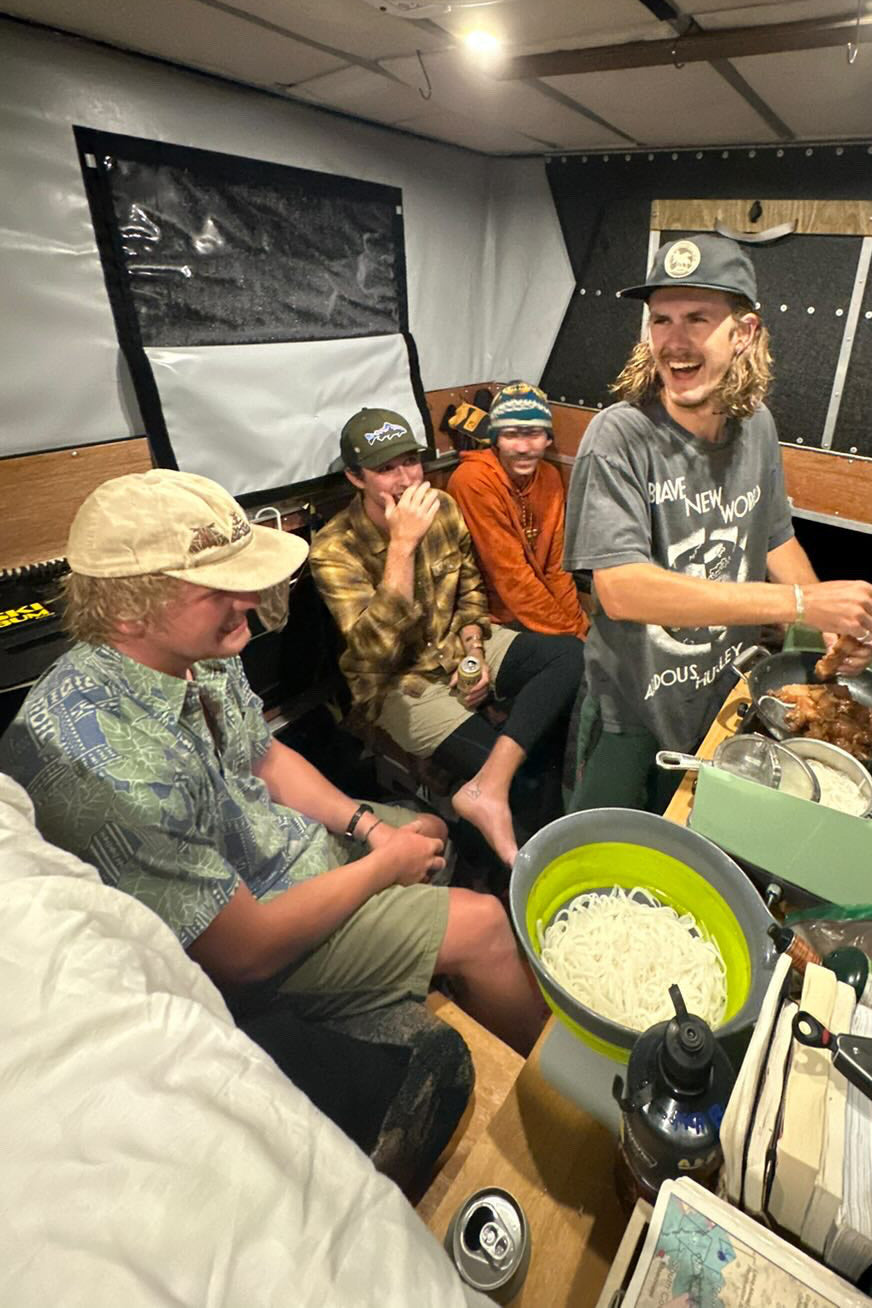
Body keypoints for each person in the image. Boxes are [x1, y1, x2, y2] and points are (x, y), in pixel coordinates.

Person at [0, 469, 546, 1063]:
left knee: (434, 834)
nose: (251, 602)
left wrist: (368, 827)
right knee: (484, 924)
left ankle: (443, 983)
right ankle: (558, 1105)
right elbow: (242, 953)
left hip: (275, 852)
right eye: (217, 590)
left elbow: (261, 756)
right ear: (130, 611)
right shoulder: (110, 768)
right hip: (245, 948)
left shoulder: (194, 651)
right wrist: (385, 864)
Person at [563, 232, 872, 813]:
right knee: (598, 854)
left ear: (745, 333)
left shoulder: (756, 425)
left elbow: (774, 534)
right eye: (661, 320)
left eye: (697, 318)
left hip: (722, 695)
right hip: (632, 712)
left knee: (681, 844)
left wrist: (828, 624)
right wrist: (797, 608)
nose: (675, 341)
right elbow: (619, 589)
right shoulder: (619, 437)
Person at [310, 408, 582, 866]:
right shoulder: (333, 550)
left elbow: (471, 589)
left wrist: (474, 649)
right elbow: (375, 649)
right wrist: (402, 545)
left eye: (411, 462)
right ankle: (517, 859)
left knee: (571, 658)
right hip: (398, 680)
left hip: (456, 643)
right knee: (523, 774)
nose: (404, 479)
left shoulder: (443, 507)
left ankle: (495, 794)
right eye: (385, 469)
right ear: (357, 478)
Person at [448, 381, 588, 639]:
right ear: (496, 440)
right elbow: (511, 579)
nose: (523, 447)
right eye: (511, 434)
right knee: (575, 661)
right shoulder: (473, 480)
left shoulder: (550, 477)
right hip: (488, 618)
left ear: (548, 439)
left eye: (533, 433)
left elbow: (556, 569)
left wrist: (580, 627)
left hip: (539, 609)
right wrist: (571, 634)